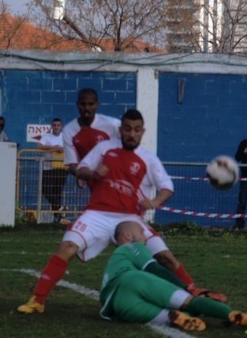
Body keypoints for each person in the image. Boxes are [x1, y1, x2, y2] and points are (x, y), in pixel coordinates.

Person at [18, 109, 217, 314]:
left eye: (137, 130)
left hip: (130, 218)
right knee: (67, 246)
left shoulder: (148, 158)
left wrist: (154, 201)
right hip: (97, 214)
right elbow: (82, 168)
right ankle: (38, 300)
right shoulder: (104, 148)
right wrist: (93, 173)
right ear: (121, 130)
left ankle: (192, 295)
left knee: (165, 257)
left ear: (142, 131)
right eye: (128, 129)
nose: (132, 134)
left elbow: (167, 187)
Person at [99, 220, 247, 331]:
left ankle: (176, 317)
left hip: (118, 305)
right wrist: (187, 288)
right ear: (128, 235)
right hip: (132, 280)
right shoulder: (130, 247)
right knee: (188, 301)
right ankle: (230, 314)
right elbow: (154, 269)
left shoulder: (111, 264)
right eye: (142, 233)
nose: (145, 238)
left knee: (169, 315)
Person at [61, 88, 121, 176]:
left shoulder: (113, 125)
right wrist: (81, 174)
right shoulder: (68, 130)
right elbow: (72, 164)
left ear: (97, 104)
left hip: (115, 177)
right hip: (92, 180)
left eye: (91, 104)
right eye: (83, 104)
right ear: (77, 104)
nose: (87, 108)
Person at [36, 118, 69, 223]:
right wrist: (53, 147)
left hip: (61, 167)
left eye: (58, 125)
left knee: (57, 192)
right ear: (51, 126)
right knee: (45, 190)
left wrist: (63, 149)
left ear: (61, 126)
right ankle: (60, 207)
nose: (56, 127)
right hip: (48, 168)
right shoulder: (47, 136)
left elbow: (71, 148)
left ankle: (57, 218)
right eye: (54, 125)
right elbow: (39, 146)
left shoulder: (65, 137)